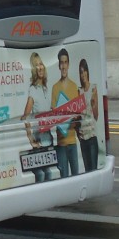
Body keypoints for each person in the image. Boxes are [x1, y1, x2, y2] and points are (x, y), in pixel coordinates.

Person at [21, 52, 52, 182]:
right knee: (41, 175)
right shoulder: (33, 89)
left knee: (49, 174)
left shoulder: (45, 88)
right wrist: (30, 138)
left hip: (48, 138)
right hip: (39, 138)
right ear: (33, 70)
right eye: (36, 65)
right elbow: (25, 116)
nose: (40, 67)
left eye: (41, 64)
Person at [50, 48, 80, 177]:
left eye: (65, 62)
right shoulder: (55, 88)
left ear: (68, 64)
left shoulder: (74, 87)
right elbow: (54, 114)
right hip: (61, 143)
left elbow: (78, 115)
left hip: (72, 141)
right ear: (58, 65)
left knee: (75, 176)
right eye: (61, 63)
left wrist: (73, 121)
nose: (63, 66)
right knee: (64, 177)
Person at [77, 57, 100, 172]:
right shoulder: (78, 91)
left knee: (93, 170)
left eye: (84, 71)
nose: (83, 74)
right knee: (87, 170)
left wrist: (93, 104)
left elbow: (96, 115)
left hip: (91, 136)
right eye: (81, 72)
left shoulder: (93, 89)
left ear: (87, 72)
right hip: (82, 137)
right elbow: (77, 115)